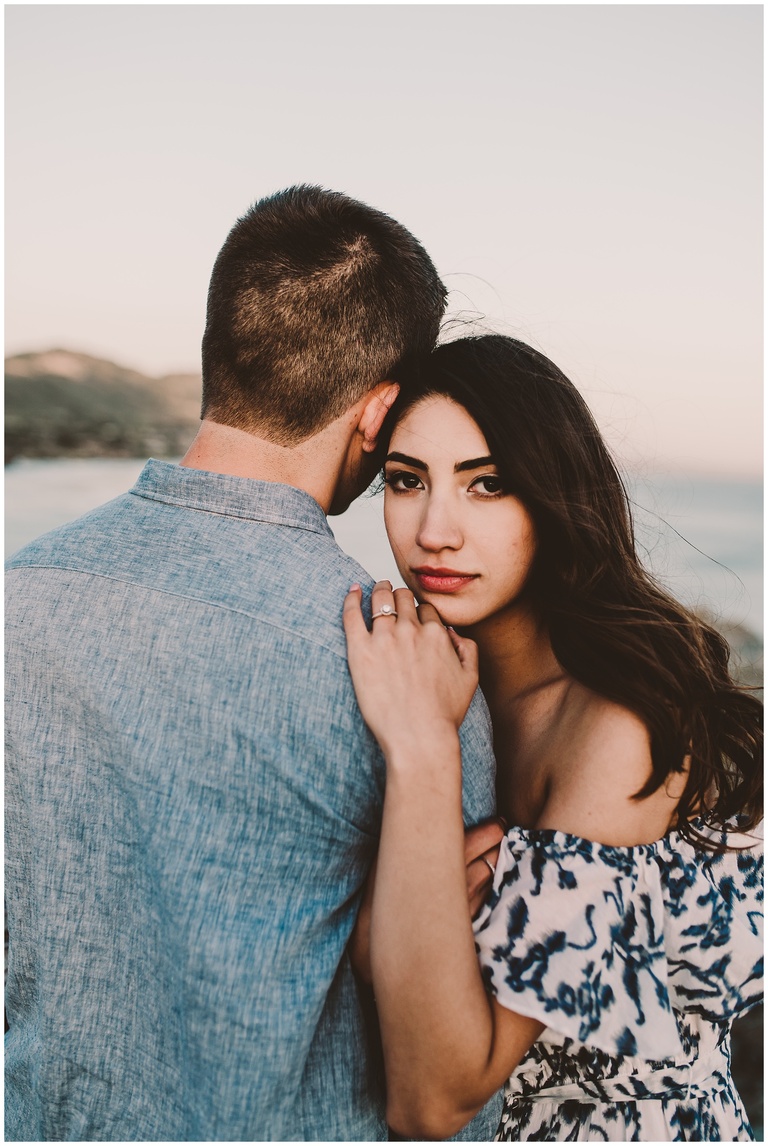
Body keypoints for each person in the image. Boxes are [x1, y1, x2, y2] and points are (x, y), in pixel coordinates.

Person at [5, 187, 504, 1141]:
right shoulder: (404, 666)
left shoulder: (16, 598)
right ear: (381, 413)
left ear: (215, 356)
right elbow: (445, 1053)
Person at [343, 334, 764, 1142]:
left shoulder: (615, 729)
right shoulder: (423, 671)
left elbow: (435, 1099)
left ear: (553, 495)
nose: (435, 531)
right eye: (406, 481)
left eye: (488, 485)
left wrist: (424, 751)